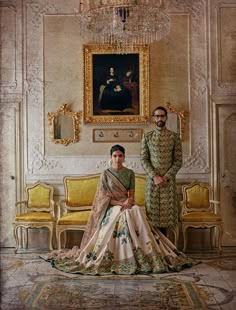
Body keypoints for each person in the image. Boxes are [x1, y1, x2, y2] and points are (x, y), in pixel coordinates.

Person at [42, 144, 195, 275]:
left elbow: (132, 195)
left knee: (136, 211)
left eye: (120, 155)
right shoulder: (106, 174)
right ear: (111, 157)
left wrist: (129, 201)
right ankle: (120, 255)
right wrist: (117, 203)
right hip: (111, 205)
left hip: (126, 203)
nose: (117, 158)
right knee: (123, 214)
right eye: (115, 156)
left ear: (124, 157)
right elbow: (102, 196)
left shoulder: (129, 173)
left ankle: (144, 254)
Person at [140, 106, 182, 236]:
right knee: (152, 216)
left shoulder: (174, 137)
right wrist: (155, 177)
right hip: (152, 183)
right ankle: (154, 248)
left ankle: (167, 249)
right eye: (157, 116)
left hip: (168, 184)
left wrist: (166, 177)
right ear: (153, 118)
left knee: (166, 216)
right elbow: (144, 159)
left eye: (162, 116)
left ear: (166, 117)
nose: (160, 118)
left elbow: (178, 161)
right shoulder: (147, 137)